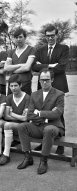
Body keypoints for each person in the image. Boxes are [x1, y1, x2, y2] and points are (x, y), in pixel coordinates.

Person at [16, 68, 65, 175]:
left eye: (47, 79)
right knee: (21, 126)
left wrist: (40, 113)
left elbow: (57, 114)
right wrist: (48, 115)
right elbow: (29, 114)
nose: (44, 82)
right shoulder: (34, 94)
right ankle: (28, 157)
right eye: (42, 79)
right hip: (38, 126)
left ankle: (43, 161)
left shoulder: (59, 94)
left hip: (54, 126)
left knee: (48, 129)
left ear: (52, 80)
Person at [32, 24, 69, 154]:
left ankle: (61, 143)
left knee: (59, 114)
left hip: (58, 85)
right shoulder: (40, 50)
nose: (50, 38)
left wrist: (43, 66)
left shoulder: (64, 48)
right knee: (43, 113)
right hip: (43, 85)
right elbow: (34, 67)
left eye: (53, 35)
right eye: (48, 36)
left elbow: (62, 67)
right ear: (45, 36)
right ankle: (43, 142)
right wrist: (51, 65)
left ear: (56, 35)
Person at [0, 75, 30, 165]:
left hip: (22, 125)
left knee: (7, 124)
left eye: (15, 85)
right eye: (11, 86)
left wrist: (12, 114)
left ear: (20, 85)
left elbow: (25, 118)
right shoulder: (9, 97)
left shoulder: (27, 97)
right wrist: (16, 116)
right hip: (10, 123)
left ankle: (6, 154)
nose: (13, 88)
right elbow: (7, 116)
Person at [4, 28, 35, 95]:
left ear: (25, 38)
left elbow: (27, 67)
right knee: (10, 103)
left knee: (26, 104)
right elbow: (6, 68)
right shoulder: (11, 52)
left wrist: (12, 69)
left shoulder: (31, 49)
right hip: (12, 84)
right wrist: (20, 65)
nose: (18, 39)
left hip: (25, 83)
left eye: (20, 37)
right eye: (16, 37)